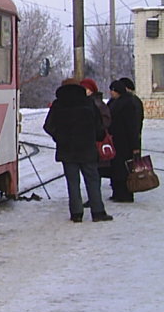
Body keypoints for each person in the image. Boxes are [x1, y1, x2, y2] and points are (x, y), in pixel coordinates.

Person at [43, 78, 113, 223]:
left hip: (67, 150)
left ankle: (76, 213)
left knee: (72, 182)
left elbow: (48, 126)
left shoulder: (58, 105)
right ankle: (98, 212)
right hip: (87, 149)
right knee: (93, 181)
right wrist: (94, 137)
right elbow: (99, 127)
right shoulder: (88, 102)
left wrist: (59, 137)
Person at [107, 79, 143, 203]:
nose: (111, 92)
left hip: (125, 142)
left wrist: (135, 145)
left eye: (112, 90)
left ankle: (125, 194)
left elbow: (132, 126)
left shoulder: (128, 103)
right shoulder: (114, 102)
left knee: (125, 169)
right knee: (117, 168)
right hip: (115, 140)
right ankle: (117, 192)